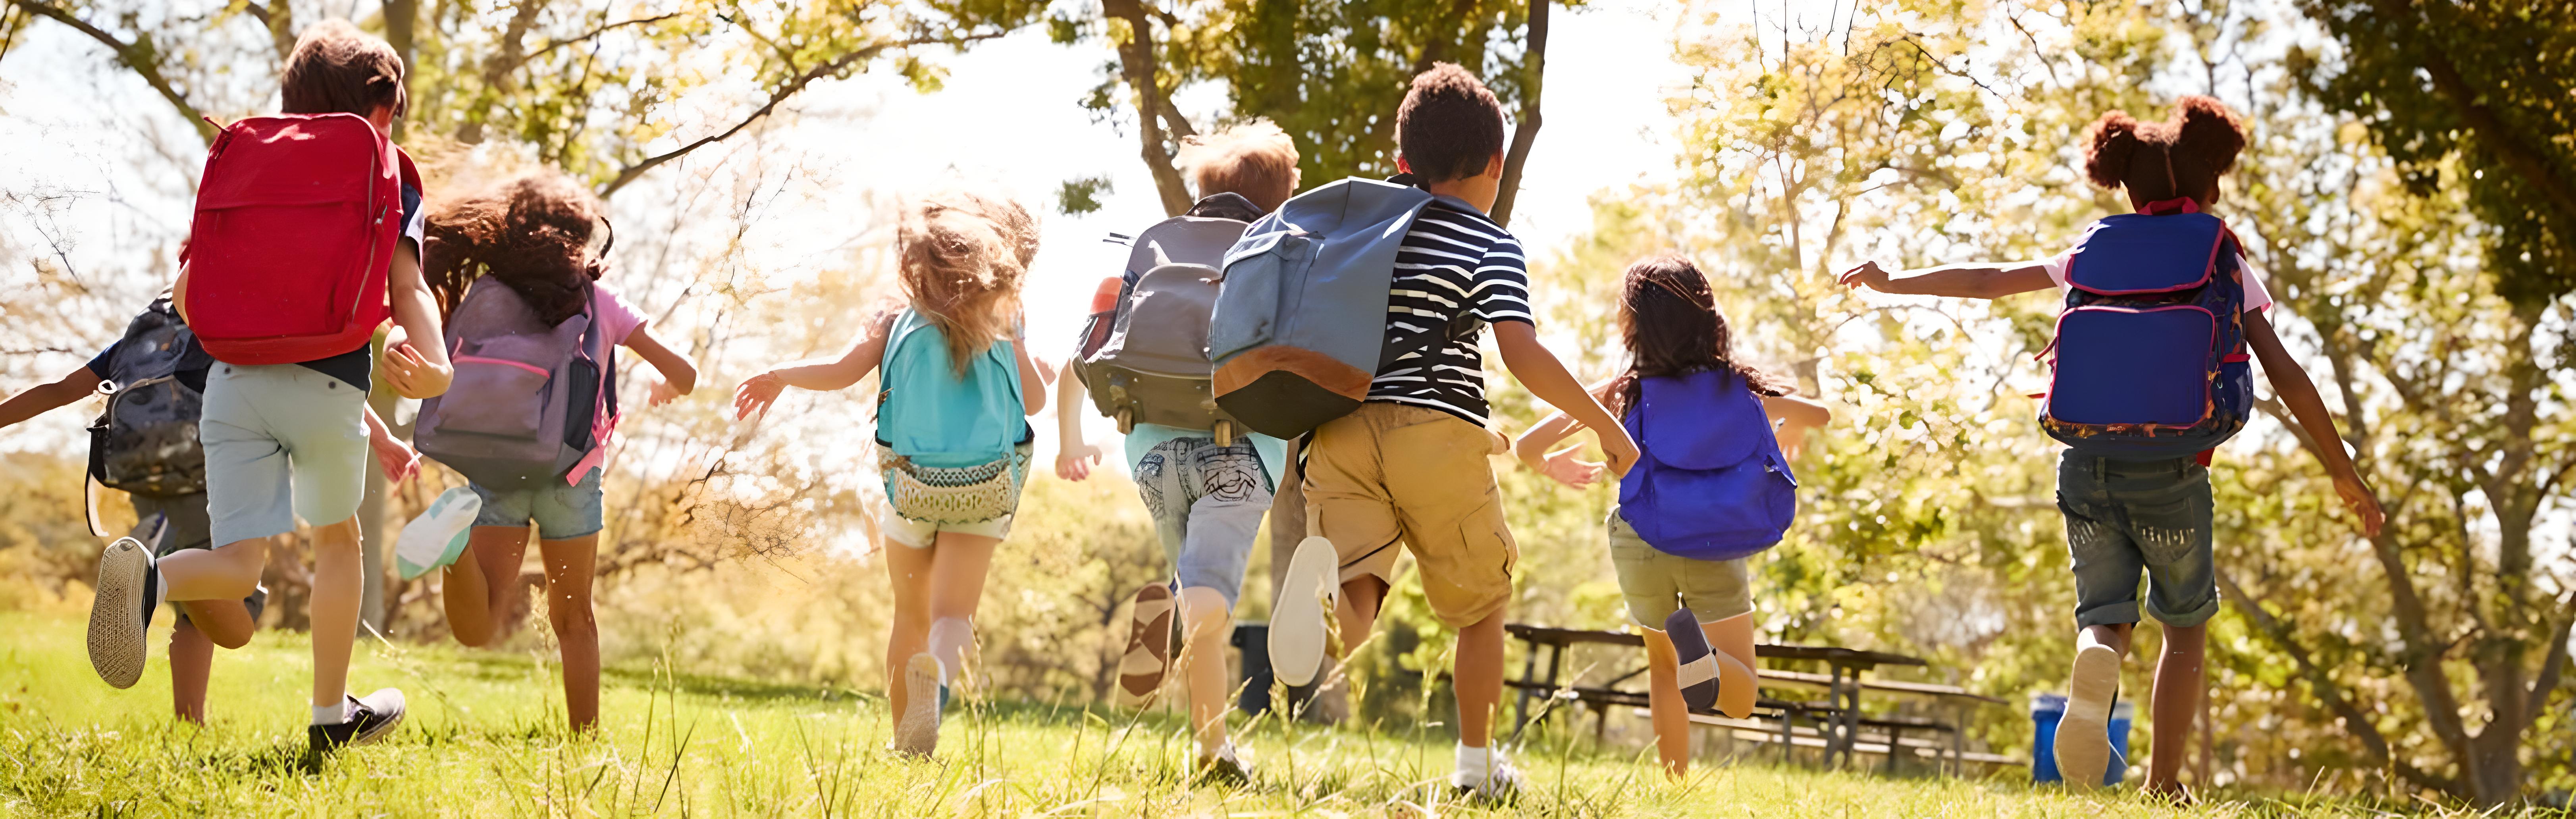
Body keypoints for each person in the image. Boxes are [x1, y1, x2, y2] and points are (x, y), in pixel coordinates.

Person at [1836, 96, 2385, 798]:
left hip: (2083, 463)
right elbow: (2285, 371)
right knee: (2182, 625)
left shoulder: (2090, 249)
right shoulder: (2218, 252)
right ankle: (2161, 783)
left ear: (2124, 185)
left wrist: (1890, 281)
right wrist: (2342, 471)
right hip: (2173, 470)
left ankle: (2095, 662)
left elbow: (1987, 281)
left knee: (2105, 615)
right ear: (2207, 183)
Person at [1265, 63, 1640, 800]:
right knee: (1480, 605)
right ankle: (1475, 766)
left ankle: (1321, 607)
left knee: (1362, 586)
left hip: (1337, 428)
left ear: (1402, 163)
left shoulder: (1355, 235)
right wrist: (1602, 425)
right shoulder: (1488, 242)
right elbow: (1520, 352)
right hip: (1435, 432)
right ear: (1496, 164)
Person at [90, 19, 455, 756]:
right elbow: (407, 283)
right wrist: (438, 365)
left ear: (292, 101)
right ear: (381, 108)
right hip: (326, 385)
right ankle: (328, 714)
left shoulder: (249, 161)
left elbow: (190, 297)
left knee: (237, 562)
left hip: (230, 384)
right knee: (338, 540)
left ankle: (151, 582)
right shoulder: (385, 164)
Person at [733, 189, 1050, 758]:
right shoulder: (1006, 312)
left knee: (910, 612)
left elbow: (842, 370)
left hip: (910, 485)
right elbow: (1032, 401)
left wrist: (780, 374)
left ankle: (906, 746)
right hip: (985, 487)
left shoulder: (891, 313)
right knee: (952, 614)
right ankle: (940, 683)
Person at [1, 302, 414, 725]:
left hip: (144, 480)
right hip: (207, 470)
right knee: (232, 618)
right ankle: (150, 581)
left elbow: (61, 388)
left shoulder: (142, 339)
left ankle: (188, 720)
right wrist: (381, 437)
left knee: (194, 601)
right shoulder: (225, 322)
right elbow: (300, 375)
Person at [400, 172, 698, 733]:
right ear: (582, 239)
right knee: (574, 619)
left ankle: (453, 548)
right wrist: (668, 386)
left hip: (494, 466)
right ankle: (583, 737)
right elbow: (686, 371)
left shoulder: (484, 293)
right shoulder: (597, 300)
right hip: (570, 475)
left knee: (478, 625)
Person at [1513, 256, 1829, 777]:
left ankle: (1673, 786)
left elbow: (1528, 444)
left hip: (1641, 539)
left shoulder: (1622, 390)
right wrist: (1788, 425)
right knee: (1739, 695)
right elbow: (1820, 414)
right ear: (1707, 317)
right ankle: (1701, 650)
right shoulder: (1741, 385)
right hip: (1713, 536)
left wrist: (1552, 465)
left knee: (1665, 667)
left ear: (1633, 325)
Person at [1054, 121, 1301, 781]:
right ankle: (1212, 753)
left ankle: (1172, 611)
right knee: (1209, 605)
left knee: (1197, 593)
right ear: (1280, 194)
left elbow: (1086, 353)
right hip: (1240, 450)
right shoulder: (1281, 245)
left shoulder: (1152, 243)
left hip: (1151, 449)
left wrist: (1070, 438)